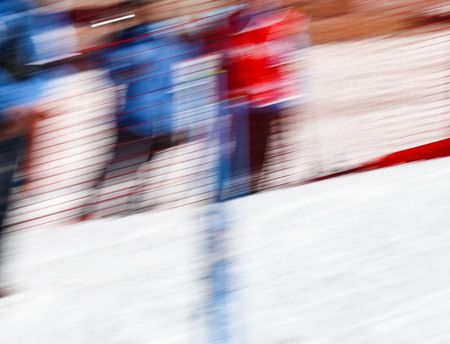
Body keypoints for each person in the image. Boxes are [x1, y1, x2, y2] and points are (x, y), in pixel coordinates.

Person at [81, 0, 194, 218]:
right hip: (135, 119)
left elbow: (190, 70)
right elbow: (110, 71)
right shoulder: (127, 41)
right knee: (118, 167)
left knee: (145, 165)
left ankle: (130, 205)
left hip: (165, 119)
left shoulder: (172, 39)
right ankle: (94, 211)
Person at [215, 0, 308, 195]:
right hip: (246, 101)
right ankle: (244, 189)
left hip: (274, 98)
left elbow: (288, 55)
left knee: (274, 150)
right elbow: (228, 61)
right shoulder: (234, 23)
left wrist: (296, 33)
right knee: (249, 151)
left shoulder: (278, 20)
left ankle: (262, 188)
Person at [0, 0, 42, 297]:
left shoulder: (17, 10)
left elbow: (31, 63)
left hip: (7, 118)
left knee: (2, 201)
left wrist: (23, 103)